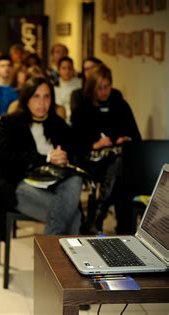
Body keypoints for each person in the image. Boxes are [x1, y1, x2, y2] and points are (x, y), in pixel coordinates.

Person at [0, 77, 83, 240]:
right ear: (26, 99)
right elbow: (4, 157)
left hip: (52, 182)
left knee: (75, 180)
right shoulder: (10, 122)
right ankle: (58, 260)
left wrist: (64, 157)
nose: (42, 103)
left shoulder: (57, 123)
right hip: (19, 183)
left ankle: (50, 257)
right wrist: (46, 158)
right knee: (73, 214)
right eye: (36, 96)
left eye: (46, 97)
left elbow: (73, 151)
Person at [71, 64, 141, 234]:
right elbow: (74, 143)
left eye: (107, 87)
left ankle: (97, 218)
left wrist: (124, 139)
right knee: (122, 175)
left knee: (121, 170)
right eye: (100, 88)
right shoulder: (83, 108)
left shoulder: (120, 104)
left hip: (117, 157)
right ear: (92, 88)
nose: (104, 92)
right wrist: (94, 144)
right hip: (92, 158)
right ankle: (122, 228)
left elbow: (136, 136)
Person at [54, 56, 82, 124]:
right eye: (64, 68)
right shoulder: (55, 86)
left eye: (70, 68)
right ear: (59, 70)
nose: (67, 71)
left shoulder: (81, 84)